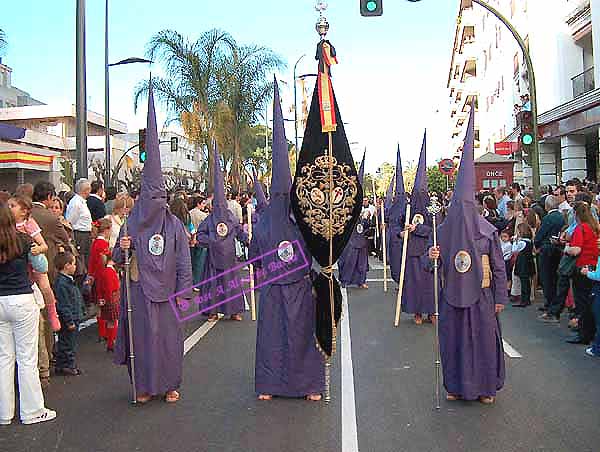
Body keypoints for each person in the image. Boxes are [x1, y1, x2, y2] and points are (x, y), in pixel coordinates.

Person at [113, 85, 192, 404]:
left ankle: (170, 384)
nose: (157, 202)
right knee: (142, 341)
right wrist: (124, 246)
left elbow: (185, 262)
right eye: (151, 197)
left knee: (168, 341)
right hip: (138, 290)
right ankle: (143, 386)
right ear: (143, 198)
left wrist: (185, 293)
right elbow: (116, 256)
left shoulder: (174, 225)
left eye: (162, 198)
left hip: (167, 293)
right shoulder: (131, 222)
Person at [250, 80, 324, 401]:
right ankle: (269, 384)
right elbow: (254, 256)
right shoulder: (264, 220)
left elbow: (318, 248)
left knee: (301, 336)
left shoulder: (302, 216)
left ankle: (308, 385)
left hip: (299, 288)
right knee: (272, 338)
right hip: (272, 290)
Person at [428, 105, 506, 404]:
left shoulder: (487, 232)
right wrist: (432, 256)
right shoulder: (444, 232)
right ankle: (456, 386)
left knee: (484, 342)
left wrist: (499, 298)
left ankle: (485, 388)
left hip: (483, 297)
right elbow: (430, 264)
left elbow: (498, 268)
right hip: (451, 297)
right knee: (454, 342)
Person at [0, 205, 56, 425]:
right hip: (22, 299)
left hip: (0, 301)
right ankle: (32, 410)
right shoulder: (22, 240)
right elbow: (41, 264)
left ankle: (5, 412)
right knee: (27, 358)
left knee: (4, 358)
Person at [196, 143, 247, 322]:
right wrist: (211, 241)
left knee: (232, 286)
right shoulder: (208, 220)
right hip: (213, 261)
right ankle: (212, 312)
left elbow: (240, 232)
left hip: (230, 260)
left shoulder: (231, 217)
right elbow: (199, 236)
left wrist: (248, 239)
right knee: (213, 286)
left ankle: (234, 311)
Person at [399, 133, 435, 324]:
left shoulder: (432, 210)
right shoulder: (407, 208)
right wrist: (403, 231)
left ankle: (431, 312)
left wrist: (417, 228)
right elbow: (398, 228)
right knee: (414, 285)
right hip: (412, 252)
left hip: (428, 252)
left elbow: (433, 230)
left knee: (430, 285)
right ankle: (417, 313)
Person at [563, 202, 599, 345]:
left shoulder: (580, 228)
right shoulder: (595, 227)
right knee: (591, 302)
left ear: (576, 214)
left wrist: (567, 248)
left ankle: (583, 333)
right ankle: (592, 331)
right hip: (594, 266)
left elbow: (576, 249)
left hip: (582, 267)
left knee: (582, 302)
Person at [338, 152, 371, 289]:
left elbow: (367, 226)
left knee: (361, 262)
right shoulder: (346, 206)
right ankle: (345, 280)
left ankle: (361, 281)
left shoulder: (364, 211)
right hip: (350, 240)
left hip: (361, 240)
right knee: (349, 261)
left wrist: (369, 220)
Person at [53, 251, 84, 376]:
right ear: (67, 265)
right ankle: (68, 366)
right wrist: (70, 321)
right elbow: (64, 305)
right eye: (74, 264)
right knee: (68, 344)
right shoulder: (62, 283)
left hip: (72, 316)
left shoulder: (66, 281)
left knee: (65, 342)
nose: (75, 267)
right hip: (69, 318)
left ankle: (61, 365)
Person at [534, 195, 565, 313]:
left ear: (547, 206)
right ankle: (554, 301)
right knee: (554, 276)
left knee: (546, 277)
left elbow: (540, 235)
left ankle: (549, 302)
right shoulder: (561, 217)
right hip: (558, 249)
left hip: (546, 249)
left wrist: (537, 245)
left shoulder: (548, 218)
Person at [88, 218, 113, 343]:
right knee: (105, 306)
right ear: (107, 230)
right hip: (102, 277)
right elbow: (102, 263)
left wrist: (91, 275)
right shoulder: (103, 244)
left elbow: (92, 262)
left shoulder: (95, 243)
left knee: (99, 305)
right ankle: (105, 333)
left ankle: (101, 332)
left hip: (95, 276)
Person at [95, 251, 120, 352]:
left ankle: (111, 342)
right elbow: (110, 288)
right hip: (112, 298)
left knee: (111, 322)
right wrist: (109, 299)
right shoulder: (110, 271)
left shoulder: (105, 271)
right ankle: (112, 342)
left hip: (108, 298)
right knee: (113, 322)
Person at [66, 179, 93, 269]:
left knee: (86, 260)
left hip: (85, 235)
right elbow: (70, 221)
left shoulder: (82, 202)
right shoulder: (76, 203)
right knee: (81, 262)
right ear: (85, 190)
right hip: (80, 235)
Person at [512, 223, 536, 307]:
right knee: (527, 282)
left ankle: (524, 300)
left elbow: (514, 250)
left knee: (524, 282)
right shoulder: (529, 241)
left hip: (523, 264)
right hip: (528, 262)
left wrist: (515, 241)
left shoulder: (522, 242)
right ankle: (527, 299)